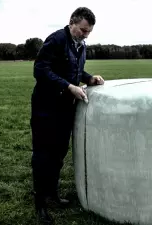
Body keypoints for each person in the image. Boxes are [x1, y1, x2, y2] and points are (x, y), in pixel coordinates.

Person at [30, 6, 104, 225]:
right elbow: (40, 70)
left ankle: (52, 194)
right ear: (72, 22)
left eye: (89, 32)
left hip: (65, 109)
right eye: (83, 30)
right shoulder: (55, 40)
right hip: (45, 109)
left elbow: (75, 71)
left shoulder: (81, 45)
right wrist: (68, 87)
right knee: (43, 156)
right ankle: (40, 204)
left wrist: (89, 78)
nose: (85, 35)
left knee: (59, 153)